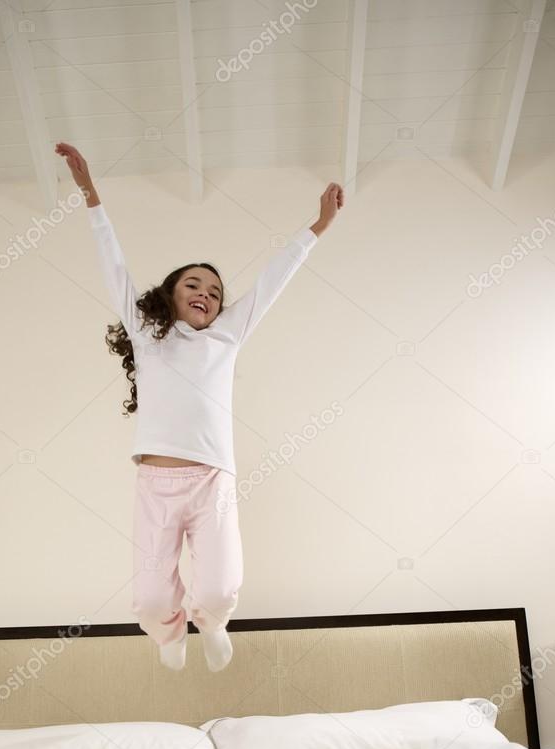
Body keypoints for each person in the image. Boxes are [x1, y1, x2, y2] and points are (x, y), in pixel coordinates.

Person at [56, 141, 343, 672]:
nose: (207, 294)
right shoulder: (147, 334)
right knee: (147, 597)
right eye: (193, 284)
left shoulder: (227, 337)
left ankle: (210, 622)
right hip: (156, 485)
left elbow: (271, 282)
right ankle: (168, 634)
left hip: (212, 481)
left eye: (214, 291)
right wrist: (90, 194)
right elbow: (113, 265)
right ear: (169, 295)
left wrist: (317, 227)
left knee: (219, 585)